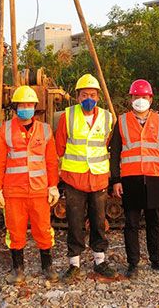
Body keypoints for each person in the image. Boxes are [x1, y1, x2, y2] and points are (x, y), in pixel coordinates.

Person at [0, 86, 60, 284]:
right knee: (15, 231)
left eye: (29, 104)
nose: (26, 108)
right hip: (14, 192)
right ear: (15, 107)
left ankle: (47, 267)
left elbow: (51, 162)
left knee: (44, 229)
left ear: (35, 107)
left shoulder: (45, 130)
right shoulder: (5, 130)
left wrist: (53, 186)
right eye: (22, 105)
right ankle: (18, 270)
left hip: (39, 191)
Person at [110, 79, 159, 279]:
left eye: (144, 96)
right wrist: (116, 180)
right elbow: (115, 152)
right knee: (131, 223)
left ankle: (156, 259)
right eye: (136, 96)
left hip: (155, 178)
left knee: (154, 221)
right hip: (130, 179)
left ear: (151, 99)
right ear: (131, 99)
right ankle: (133, 263)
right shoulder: (122, 121)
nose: (140, 100)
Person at [55, 74, 115, 283]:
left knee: (98, 221)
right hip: (74, 179)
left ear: (98, 96)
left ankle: (100, 261)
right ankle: (74, 264)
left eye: (92, 94)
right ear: (77, 97)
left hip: (98, 177)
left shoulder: (107, 117)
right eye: (84, 95)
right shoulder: (68, 116)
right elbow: (59, 146)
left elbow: (107, 144)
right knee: (75, 222)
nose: (88, 98)